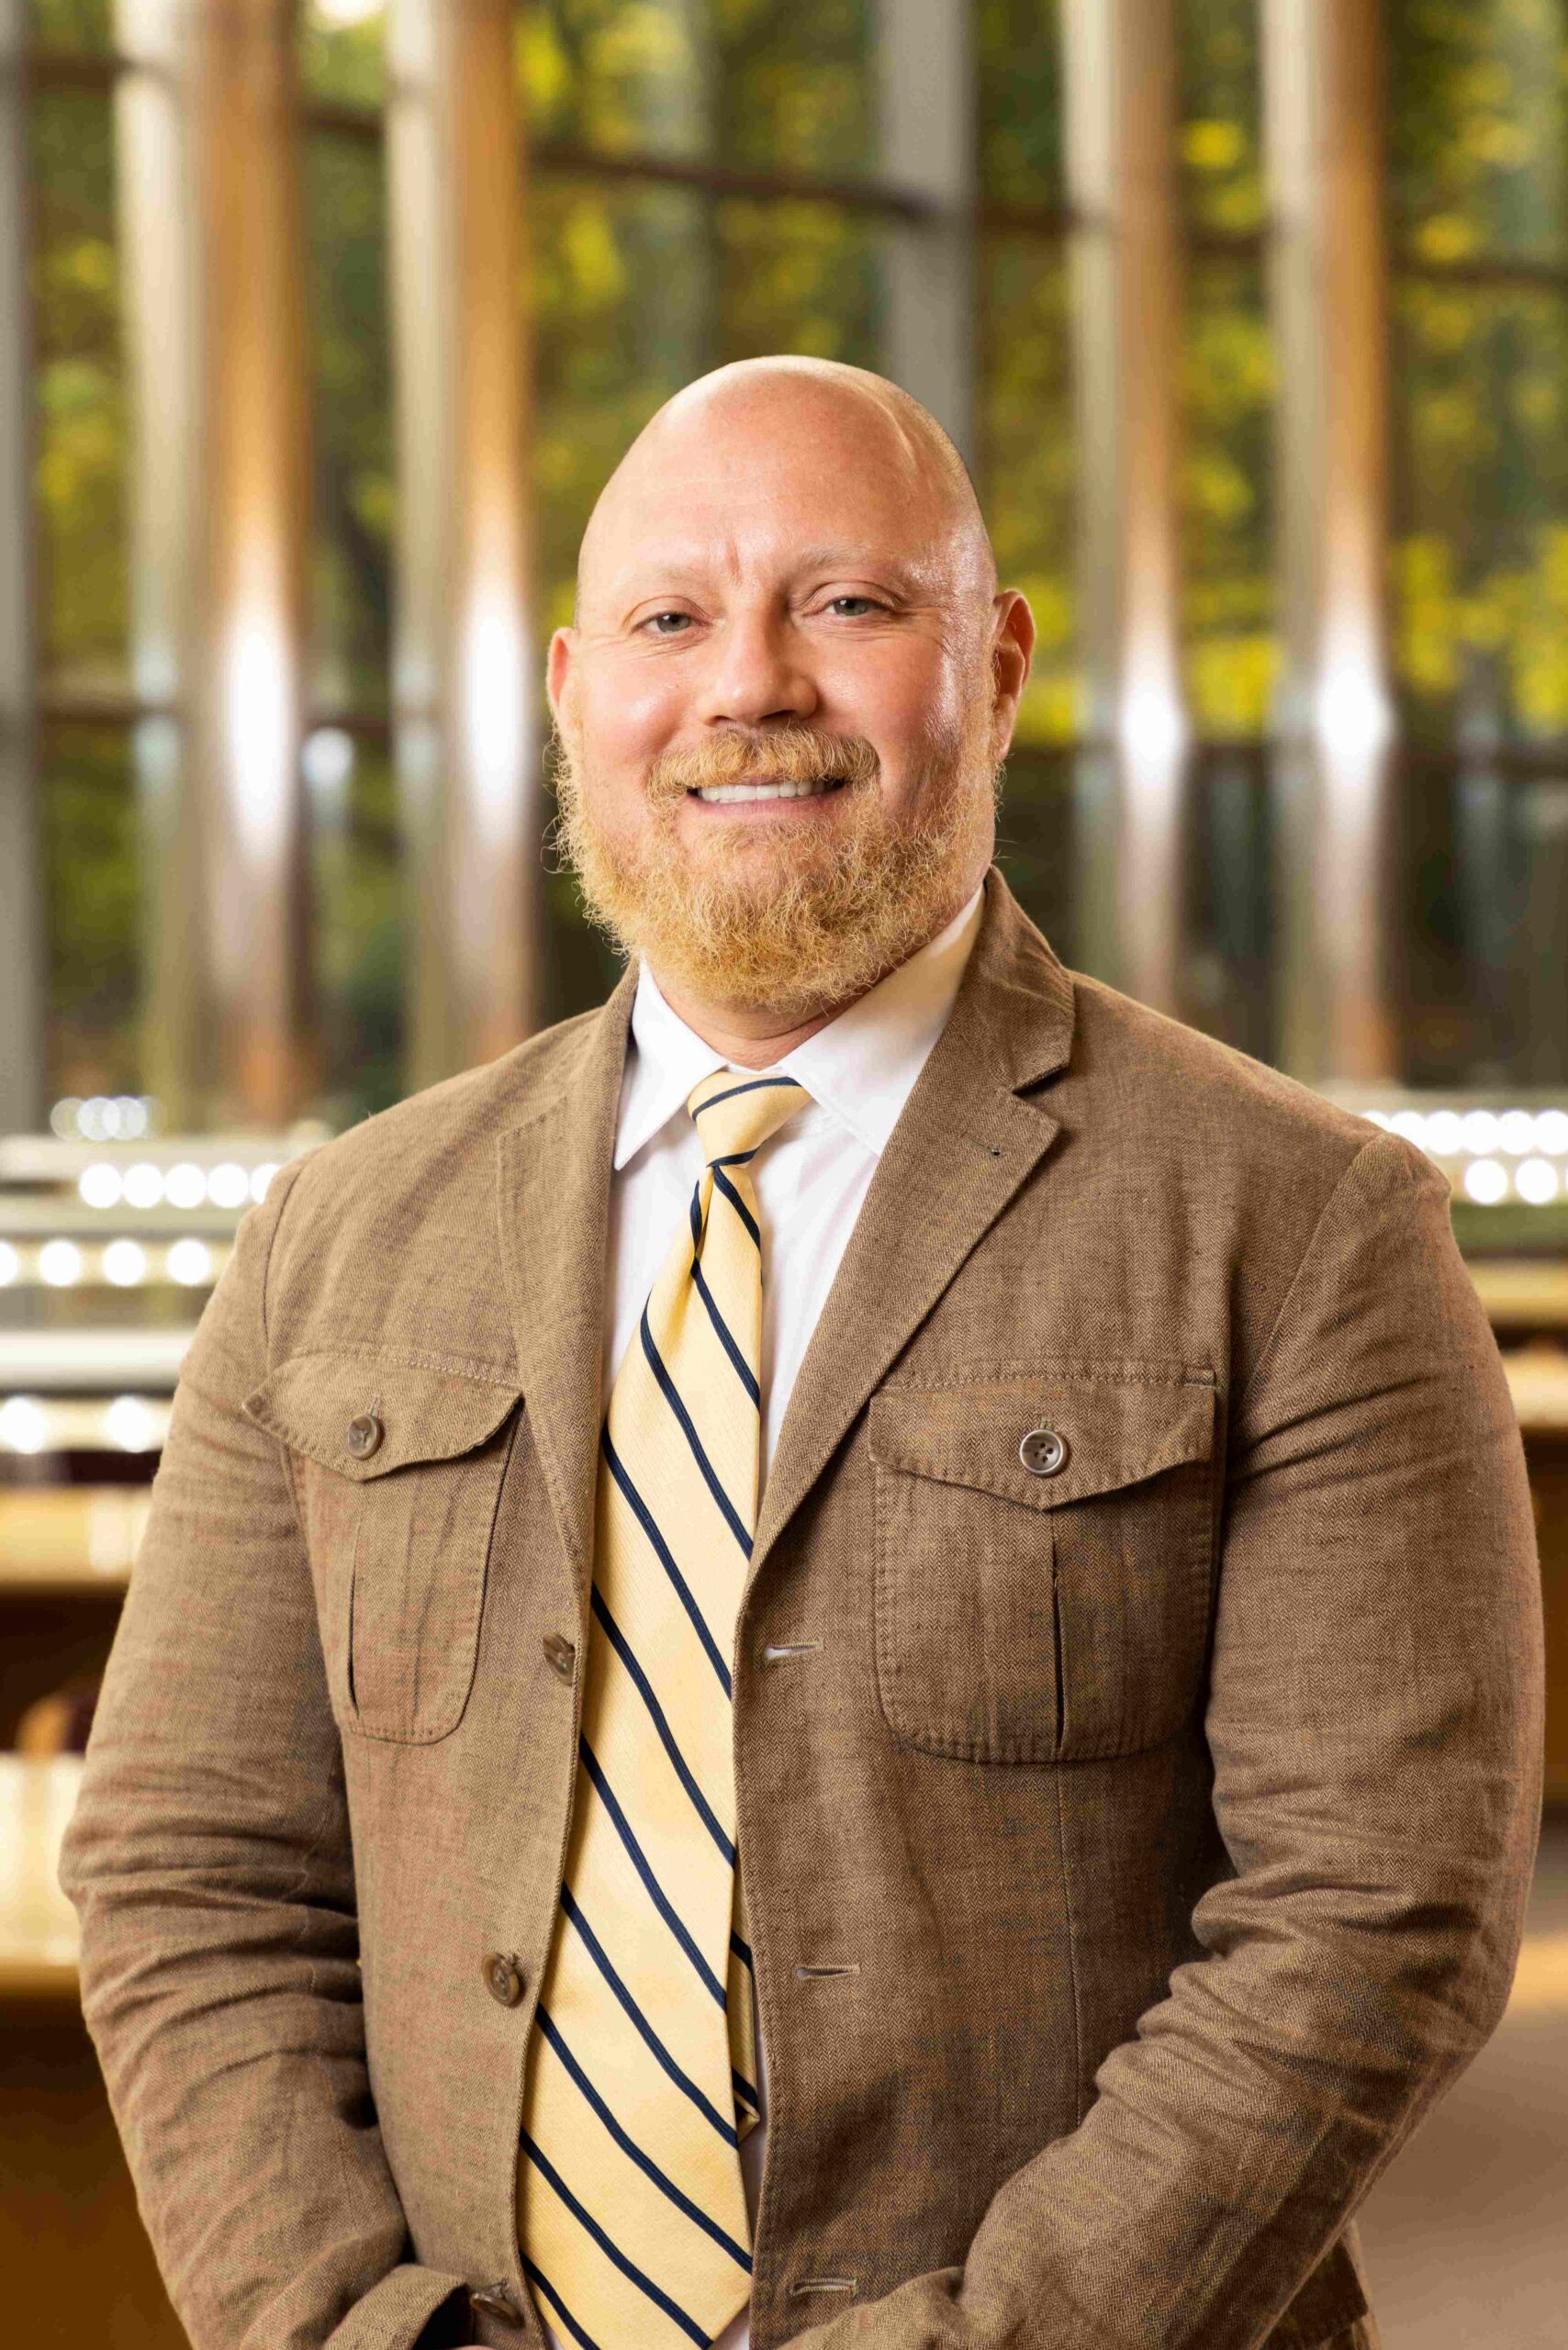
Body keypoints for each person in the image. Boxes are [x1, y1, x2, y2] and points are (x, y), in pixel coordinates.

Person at [62, 357, 1544, 2350]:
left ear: (995, 670)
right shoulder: (338, 1235)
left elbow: (1375, 1913)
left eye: (845, 603)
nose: (748, 684)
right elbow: (191, 1871)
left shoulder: (1302, 1224)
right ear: (574, 693)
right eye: (671, 618)